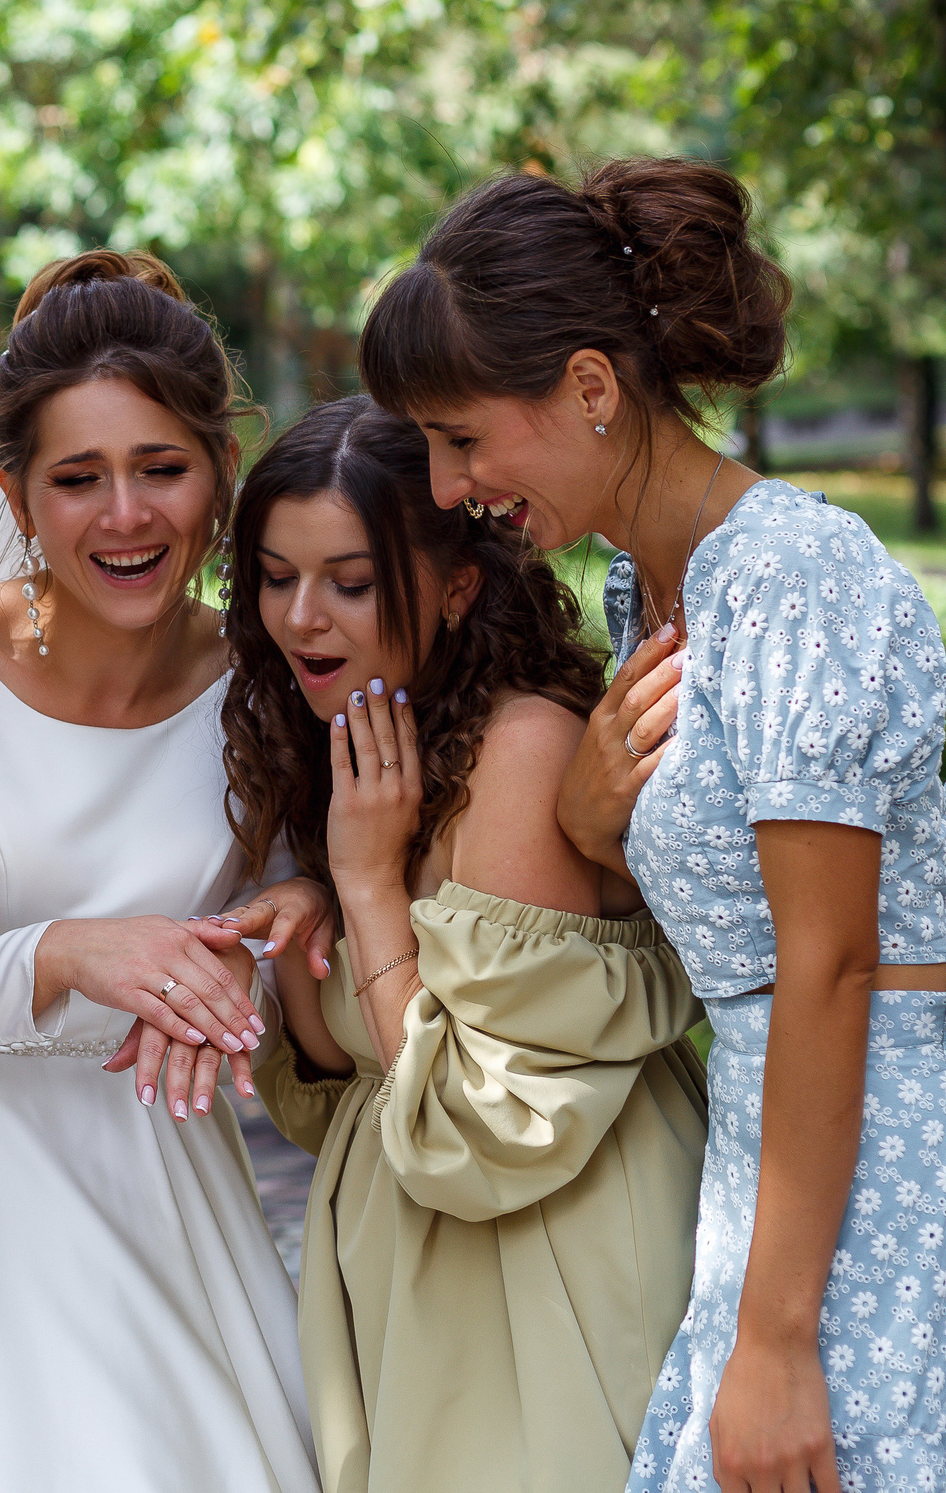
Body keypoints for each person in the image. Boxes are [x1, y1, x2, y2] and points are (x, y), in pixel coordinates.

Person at [359, 158, 946, 1493]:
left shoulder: (799, 575)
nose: (450, 483)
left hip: (874, 1168)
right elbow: (726, 904)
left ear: (587, 387)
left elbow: (830, 962)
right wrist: (583, 811)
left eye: (463, 436)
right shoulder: (654, 588)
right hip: (765, 1160)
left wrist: (777, 1335)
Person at [0, 251, 318, 1493]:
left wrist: (302, 903)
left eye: (161, 470)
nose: (124, 516)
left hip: (162, 1182)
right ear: (16, 500)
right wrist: (66, 954)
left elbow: (284, 897)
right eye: (77, 479)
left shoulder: (266, 680)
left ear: (221, 475)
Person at [214, 396, 709, 1493]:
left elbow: (481, 1129)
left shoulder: (519, 753)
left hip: (546, 1272)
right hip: (409, 1278)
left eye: (349, 582)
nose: (303, 619)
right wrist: (313, 901)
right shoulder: (352, 750)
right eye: (275, 577)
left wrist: (362, 883)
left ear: (457, 584)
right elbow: (336, 1086)